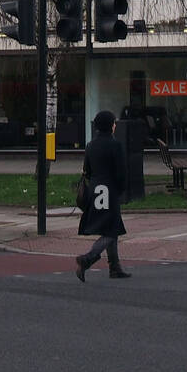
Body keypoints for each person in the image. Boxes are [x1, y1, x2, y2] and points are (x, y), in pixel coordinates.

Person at [75, 110, 131, 280]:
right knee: (111, 229)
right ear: (110, 126)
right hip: (110, 190)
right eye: (114, 122)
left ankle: (115, 267)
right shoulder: (116, 145)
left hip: (95, 189)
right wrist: (122, 189)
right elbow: (121, 172)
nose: (115, 125)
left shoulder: (91, 145)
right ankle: (88, 258)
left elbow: (87, 170)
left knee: (110, 227)